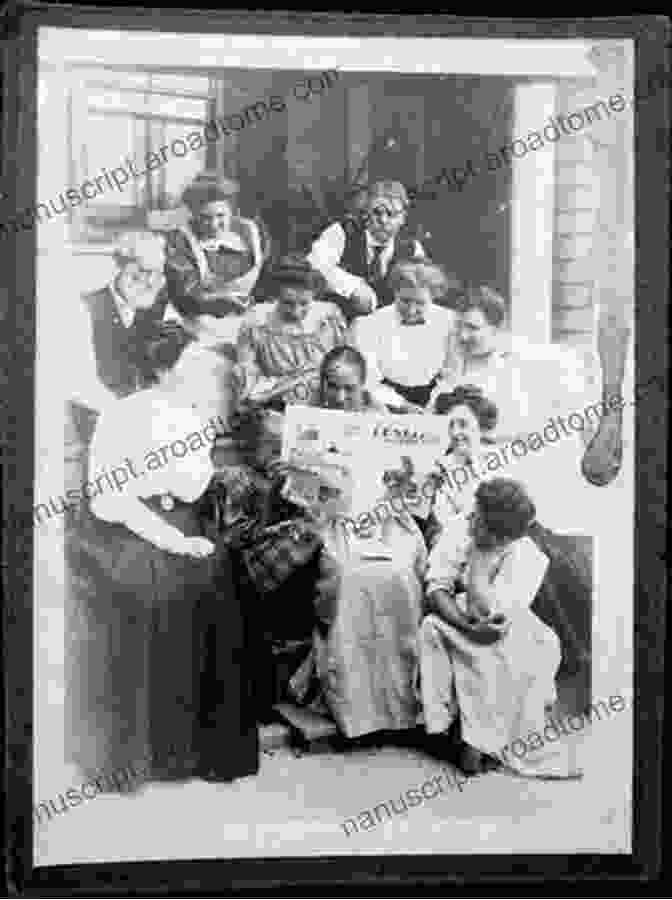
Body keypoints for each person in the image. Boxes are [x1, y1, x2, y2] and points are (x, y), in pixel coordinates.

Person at [66, 328, 259, 787]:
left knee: (221, 580)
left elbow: (192, 487)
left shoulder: (191, 418)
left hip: (183, 518)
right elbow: (110, 498)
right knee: (151, 586)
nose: (198, 374)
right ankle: (152, 755)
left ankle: (205, 751)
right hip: (126, 524)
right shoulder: (120, 417)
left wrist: (189, 531)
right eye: (188, 365)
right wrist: (171, 539)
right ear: (162, 370)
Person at [287, 346, 427, 740]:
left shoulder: (383, 419)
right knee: (350, 577)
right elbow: (301, 494)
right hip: (333, 520)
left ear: (363, 385)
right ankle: (353, 705)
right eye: (331, 386)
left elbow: (408, 480)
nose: (340, 397)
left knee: (400, 576)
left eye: (348, 388)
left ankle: (400, 705)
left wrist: (405, 483)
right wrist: (302, 478)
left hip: (385, 520)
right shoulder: (309, 421)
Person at [427, 385, 590, 686]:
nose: (456, 432)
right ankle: (566, 652)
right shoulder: (440, 472)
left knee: (550, 555)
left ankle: (571, 650)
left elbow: (516, 504)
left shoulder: (496, 459)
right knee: (532, 552)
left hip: (509, 530)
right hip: (466, 538)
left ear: (480, 427)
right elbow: (445, 522)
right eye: (449, 425)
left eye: (464, 424)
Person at [419, 478, 582, 779]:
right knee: (434, 630)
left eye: (484, 525)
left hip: (500, 622)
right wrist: (465, 625)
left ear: (506, 537)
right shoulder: (459, 527)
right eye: (476, 515)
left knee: (529, 647)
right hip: (457, 616)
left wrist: (481, 558)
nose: (474, 524)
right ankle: (469, 739)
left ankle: (483, 741)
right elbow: (437, 588)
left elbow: (494, 614)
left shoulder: (527, 554)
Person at [430, 283, 597, 532]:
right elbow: (440, 408)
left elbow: (563, 416)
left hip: (519, 469)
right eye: (459, 328)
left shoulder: (530, 360)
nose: (463, 336)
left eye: (473, 328)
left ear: (498, 328)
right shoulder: (456, 361)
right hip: (470, 468)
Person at [163, 171, 266, 346]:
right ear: (193, 214)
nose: (213, 225)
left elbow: (266, 276)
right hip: (200, 328)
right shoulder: (181, 241)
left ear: (231, 211)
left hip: (247, 323)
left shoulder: (250, 232)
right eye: (205, 218)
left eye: (220, 216)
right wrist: (221, 300)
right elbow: (184, 297)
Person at [234, 254, 348, 410]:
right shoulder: (257, 322)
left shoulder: (329, 317)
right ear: (275, 296)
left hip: (323, 397)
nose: (296, 312)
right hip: (275, 401)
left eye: (304, 303)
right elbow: (248, 368)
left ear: (313, 295)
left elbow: (343, 364)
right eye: (287, 303)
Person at [307, 180, 426, 320]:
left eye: (391, 214)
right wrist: (353, 287)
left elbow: (420, 291)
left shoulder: (411, 248)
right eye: (377, 213)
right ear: (366, 213)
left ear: (403, 218)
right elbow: (314, 265)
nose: (383, 220)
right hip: (340, 320)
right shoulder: (342, 232)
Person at [352, 259, 459, 412]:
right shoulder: (371, 324)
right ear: (395, 292)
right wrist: (401, 405)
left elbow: (451, 376)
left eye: (420, 303)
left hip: (436, 402)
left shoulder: (449, 322)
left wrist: (434, 405)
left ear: (434, 296)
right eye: (405, 301)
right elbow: (369, 380)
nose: (411, 310)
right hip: (384, 402)